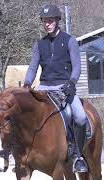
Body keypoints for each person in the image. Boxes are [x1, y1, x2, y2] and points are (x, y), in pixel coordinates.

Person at [23, 4, 88, 173]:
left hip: (64, 86)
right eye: (45, 21)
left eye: (50, 20)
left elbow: (77, 68)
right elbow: (32, 67)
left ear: (58, 21)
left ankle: (78, 156)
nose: (47, 24)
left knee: (80, 117)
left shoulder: (70, 41)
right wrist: (27, 84)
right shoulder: (39, 44)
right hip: (44, 87)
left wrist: (71, 82)